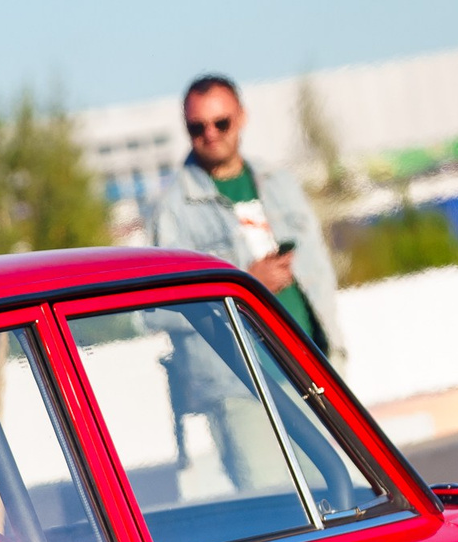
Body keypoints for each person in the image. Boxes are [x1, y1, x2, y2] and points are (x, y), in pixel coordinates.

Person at [144, 74, 346, 367]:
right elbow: (157, 313)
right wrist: (243, 286)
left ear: (241, 117)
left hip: (318, 365)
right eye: (197, 127)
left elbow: (321, 270)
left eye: (221, 123)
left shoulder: (280, 182)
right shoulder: (171, 210)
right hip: (241, 386)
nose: (210, 134)